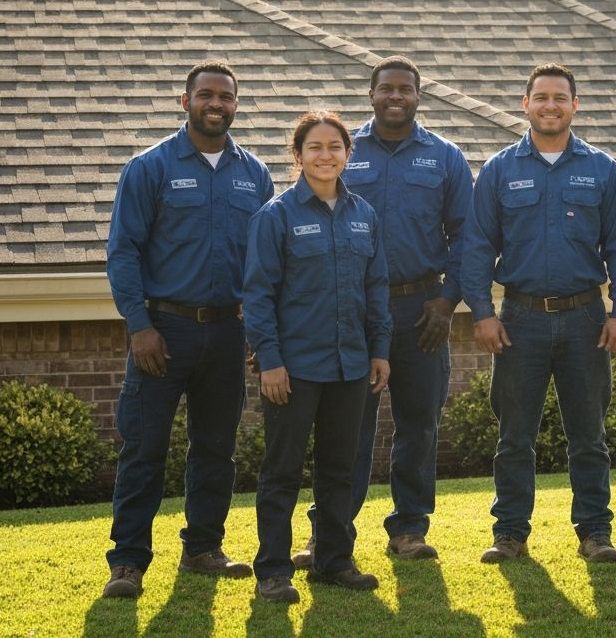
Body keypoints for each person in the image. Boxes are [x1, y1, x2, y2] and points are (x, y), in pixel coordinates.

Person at [103, 61, 274, 599]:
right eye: (205, 95)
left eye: (225, 96)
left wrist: (261, 333)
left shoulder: (255, 175)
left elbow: (266, 264)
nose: (215, 104)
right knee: (144, 447)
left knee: (215, 449)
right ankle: (127, 562)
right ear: (186, 102)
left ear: (236, 105)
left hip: (227, 335)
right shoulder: (148, 168)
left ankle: (203, 548)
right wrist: (139, 326)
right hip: (164, 331)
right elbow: (123, 251)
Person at [292, 56, 473, 566]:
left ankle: (409, 529)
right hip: (353, 307)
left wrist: (447, 297)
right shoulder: (345, 152)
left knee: (419, 424)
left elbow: (468, 237)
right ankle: (328, 533)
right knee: (345, 426)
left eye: (406, 89)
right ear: (371, 94)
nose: (396, 96)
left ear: (419, 95)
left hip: (423, 309)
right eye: (386, 88)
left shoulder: (445, 158)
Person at [462, 62, 616, 565]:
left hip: (587, 318)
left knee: (589, 437)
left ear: (574, 105)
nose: (550, 105)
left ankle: (595, 534)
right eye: (541, 96)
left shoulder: (602, 169)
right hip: (519, 319)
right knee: (514, 436)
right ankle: (510, 534)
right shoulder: (499, 170)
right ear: (526, 104)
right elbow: (477, 246)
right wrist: (481, 311)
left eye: (560, 97)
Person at [242, 110, 392, 604]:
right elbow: (258, 295)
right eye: (315, 147)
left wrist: (379, 351)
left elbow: (376, 290)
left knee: (339, 470)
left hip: (351, 366)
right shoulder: (276, 216)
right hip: (294, 369)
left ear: (348, 154)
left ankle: (333, 561)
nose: (325, 155)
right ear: (298, 155)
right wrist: (270, 360)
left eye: (335, 147)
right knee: (282, 470)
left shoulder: (364, 216)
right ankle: (274, 571)